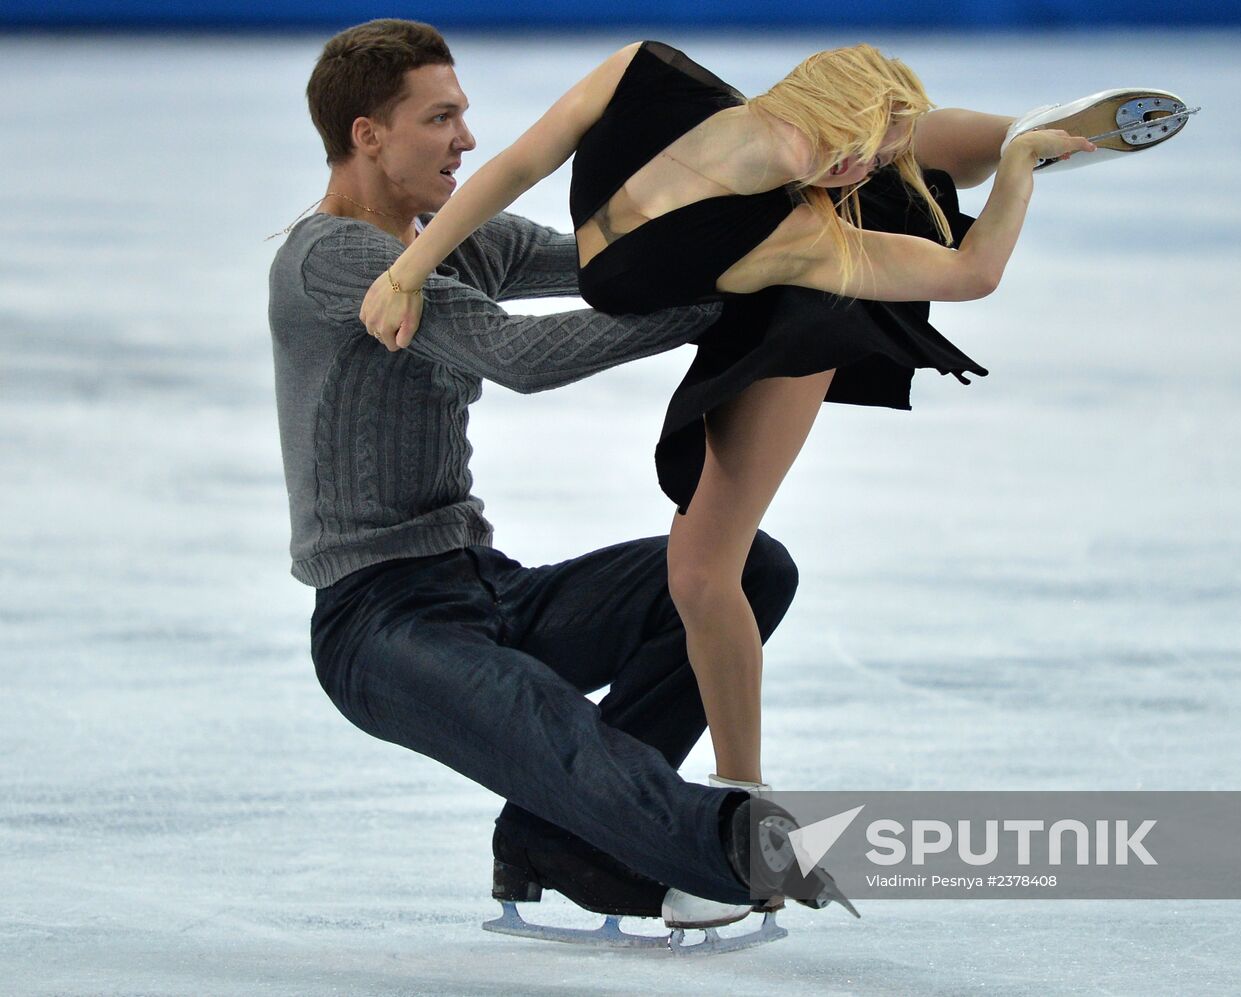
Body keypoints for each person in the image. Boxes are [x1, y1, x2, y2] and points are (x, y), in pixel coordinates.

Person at [359, 40, 1098, 800]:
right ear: (830, 127)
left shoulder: (797, 234)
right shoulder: (643, 77)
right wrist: (405, 271)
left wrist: (1016, 174)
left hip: (792, 315)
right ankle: (1014, 136)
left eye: (871, 158)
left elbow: (972, 271)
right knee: (700, 575)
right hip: (767, 231)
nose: (862, 172)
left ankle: (743, 794)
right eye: (861, 154)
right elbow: (517, 166)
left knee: (703, 571)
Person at [268, 18, 841, 936]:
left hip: (485, 587)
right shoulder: (330, 258)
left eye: (463, 114)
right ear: (367, 134)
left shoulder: (458, 242)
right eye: (440, 117)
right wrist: (707, 307)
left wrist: (773, 229)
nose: (467, 138)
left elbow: (610, 265)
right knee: (544, 722)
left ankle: (554, 842)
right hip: (376, 624)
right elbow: (517, 355)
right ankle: (730, 843)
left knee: (748, 568)